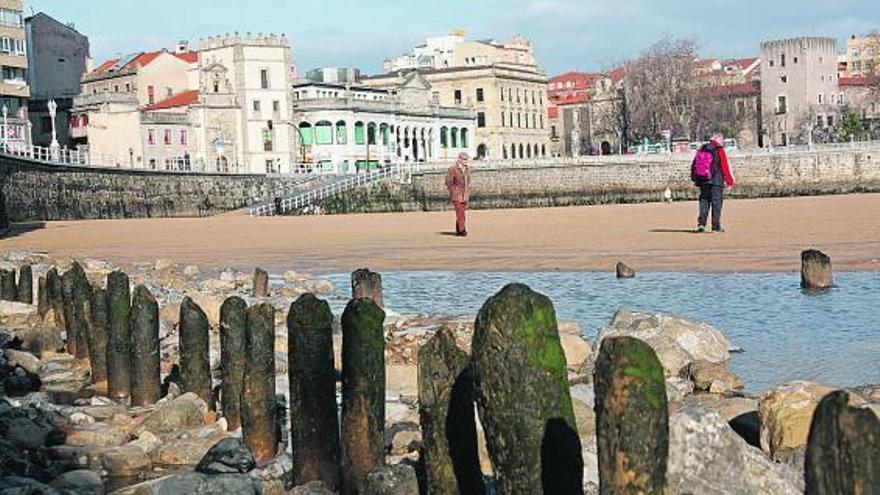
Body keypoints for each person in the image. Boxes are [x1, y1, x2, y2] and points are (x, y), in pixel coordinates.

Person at [696, 132, 736, 233]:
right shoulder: (719, 149)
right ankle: (715, 226)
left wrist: (696, 179)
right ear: (719, 140)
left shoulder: (702, 148)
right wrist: (730, 182)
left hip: (703, 180)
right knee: (716, 203)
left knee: (704, 202)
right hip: (716, 180)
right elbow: (724, 166)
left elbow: (695, 165)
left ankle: (701, 224)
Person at [445, 152, 471, 237]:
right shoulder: (453, 169)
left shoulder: (467, 169)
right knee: (460, 212)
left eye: (467, 159)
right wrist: (453, 191)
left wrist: (467, 191)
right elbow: (448, 182)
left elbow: (468, 181)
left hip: (465, 194)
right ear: (459, 159)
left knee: (462, 213)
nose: (466, 161)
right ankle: (462, 230)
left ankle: (458, 228)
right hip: (457, 195)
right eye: (464, 159)